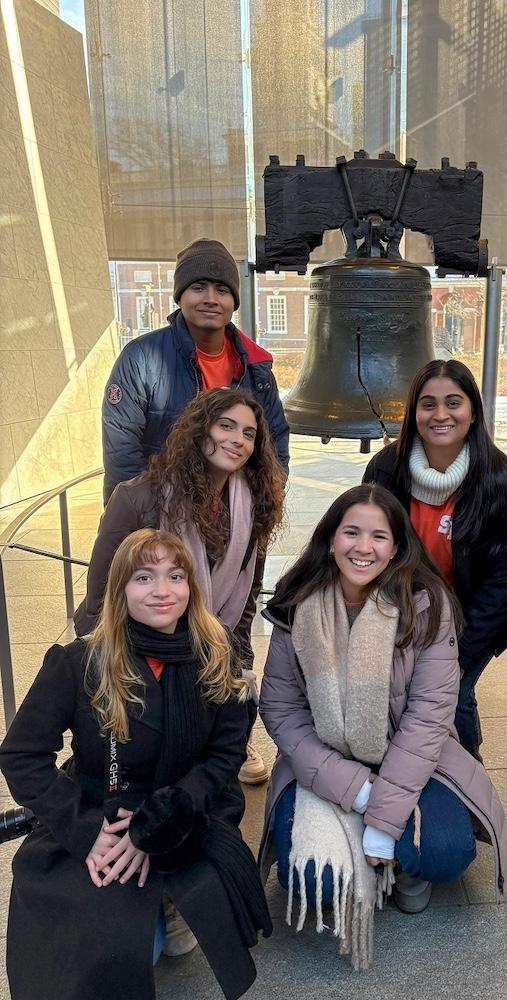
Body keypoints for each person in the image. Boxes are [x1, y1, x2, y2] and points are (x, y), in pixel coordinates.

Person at [0, 529, 272, 1000]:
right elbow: (22, 755)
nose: (163, 591)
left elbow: (226, 754)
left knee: (167, 922)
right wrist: (88, 832)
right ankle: (160, 912)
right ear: (121, 588)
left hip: (186, 809)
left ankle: (170, 905)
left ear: (192, 586)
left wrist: (161, 825)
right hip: (100, 809)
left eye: (175, 575)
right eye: (144, 577)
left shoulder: (217, 654)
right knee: (108, 951)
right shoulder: (79, 661)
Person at [257, 484, 507, 971]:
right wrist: (358, 793)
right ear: (330, 539)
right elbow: (282, 711)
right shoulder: (296, 606)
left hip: (413, 757)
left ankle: (400, 861)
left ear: (397, 545)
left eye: (379, 536)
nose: (363, 547)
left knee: (445, 852)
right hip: (322, 760)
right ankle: (364, 843)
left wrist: (382, 820)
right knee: (312, 883)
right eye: (351, 532)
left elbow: (428, 717)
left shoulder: (426, 607)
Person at [74, 387, 285, 787]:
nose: (237, 440)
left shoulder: (253, 505)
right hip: (140, 652)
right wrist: (108, 681)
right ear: (199, 429)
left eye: (249, 433)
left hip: (209, 643)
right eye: (226, 426)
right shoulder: (137, 499)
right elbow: (101, 599)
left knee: (217, 743)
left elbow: (244, 602)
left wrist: (236, 667)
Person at [363, 359, 507, 759]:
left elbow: (500, 589)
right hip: (402, 613)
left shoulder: (503, 486)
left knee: (451, 698)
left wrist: (459, 659)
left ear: (473, 411)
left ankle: (467, 795)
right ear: (414, 412)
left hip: (469, 620)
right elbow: (367, 549)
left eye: (453, 403)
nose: (440, 415)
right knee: (397, 698)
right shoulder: (387, 469)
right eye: (428, 404)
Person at [102, 237, 289, 501]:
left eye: (222, 290)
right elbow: (122, 452)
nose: (211, 299)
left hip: (232, 516)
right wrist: (152, 521)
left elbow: (275, 440)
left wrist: (263, 501)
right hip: (160, 516)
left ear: (233, 301)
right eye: (199, 288)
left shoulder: (255, 368)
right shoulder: (140, 359)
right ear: (180, 296)